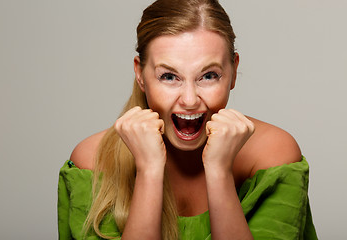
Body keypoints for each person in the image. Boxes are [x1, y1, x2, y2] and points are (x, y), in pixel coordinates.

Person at [58, 0, 317, 239]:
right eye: (169, 77)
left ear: (233, 71)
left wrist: (219, 172)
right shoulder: (91, 162)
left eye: (209, 75)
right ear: (140, 74)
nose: (190, 100)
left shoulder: (273, 156)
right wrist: (148, 170)